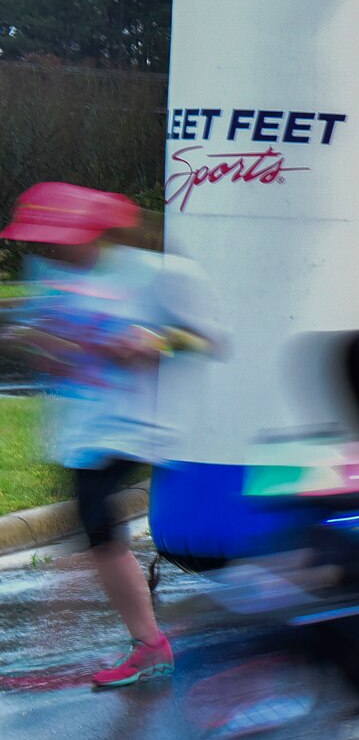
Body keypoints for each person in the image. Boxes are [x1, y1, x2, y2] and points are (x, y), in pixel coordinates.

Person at [0, 184, 224, 689]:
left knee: (101, 532)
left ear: (95, 231)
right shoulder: (51, 277)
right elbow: (53, 354)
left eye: (61, 238)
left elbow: (208, 337)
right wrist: (34, 339)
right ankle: (123, 643)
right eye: (44, 240)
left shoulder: (157, 274)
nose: (54, 249)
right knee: (98, 536)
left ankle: (148, 646)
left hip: (134, 427)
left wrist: (156, 339)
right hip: (80, 430)